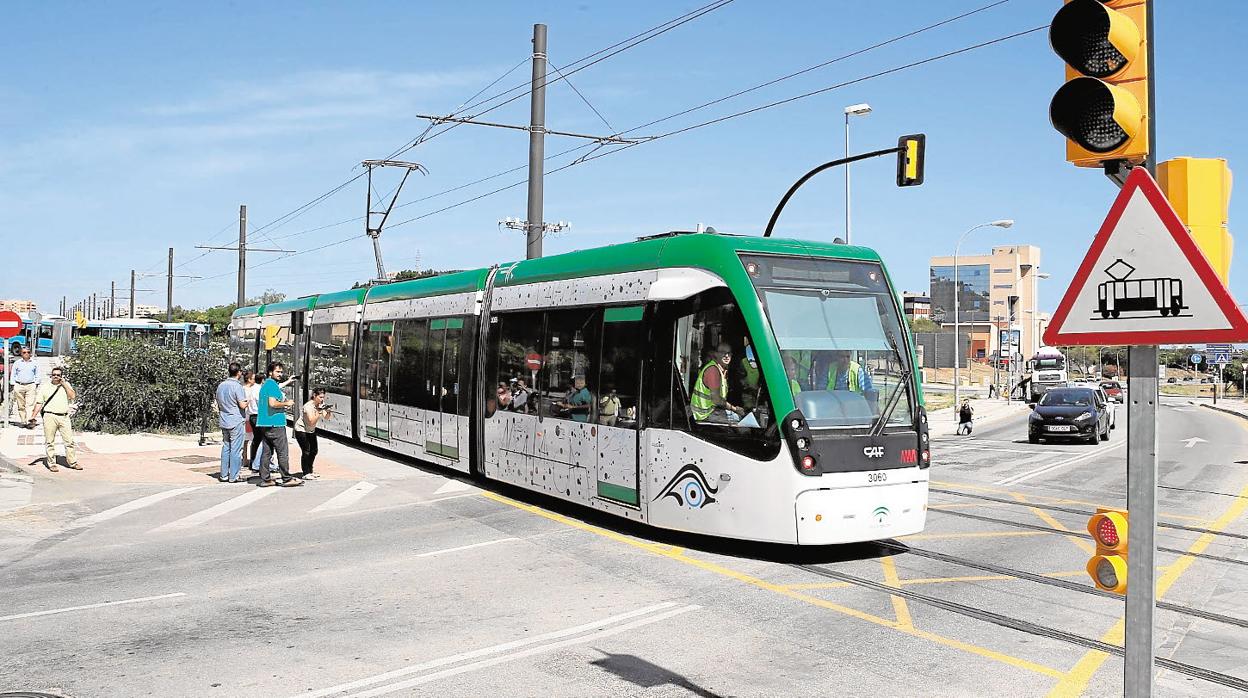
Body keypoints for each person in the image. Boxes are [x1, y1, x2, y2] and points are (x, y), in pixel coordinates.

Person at [254, 362, 301, 487]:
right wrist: (287, 403)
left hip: (264, 423)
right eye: (277, 372)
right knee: (282, 452)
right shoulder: (272, 386)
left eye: (281, 372)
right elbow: (273, 403)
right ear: (270, 372)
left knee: (267, 452)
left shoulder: (267, 384)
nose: (280, 374)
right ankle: (286, 478)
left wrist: (288, 381)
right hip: (276, 423)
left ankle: (265, 478)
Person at [33, 367, 78, 471]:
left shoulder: (66, 385)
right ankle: (52, 463)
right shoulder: (45, 387)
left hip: (64, 416)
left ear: (61, 376)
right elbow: (39, 402)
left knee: (69, 441)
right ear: (51, 376)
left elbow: (72, 396)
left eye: (58, 375)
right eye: (54, 375)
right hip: (50, 416)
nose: (56, 376)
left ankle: (73, 462)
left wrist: (64, 384)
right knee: (50, 441)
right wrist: (33, 416)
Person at [691, 343, 745, 424]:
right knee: (739, 423)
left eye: (729, 353)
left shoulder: (722, 370)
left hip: (711, 410)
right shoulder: (713, 370)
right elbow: (716, 400)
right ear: (716, 354)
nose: (726, 356)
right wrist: (735, 409)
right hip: (703, 415)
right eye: (723, 352)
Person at [214, 363, 249, 483]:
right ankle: (234, 476)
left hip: (224, 419)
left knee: (226, 447)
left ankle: (223, 474)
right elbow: (242, 405)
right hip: (236, 420)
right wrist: (248, 400)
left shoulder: (221, 385)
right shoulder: (237, 386)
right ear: (238, 372)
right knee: (236, 449)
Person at [293, 388, 331, 480]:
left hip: (311, 430)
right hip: (301, 429)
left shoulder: (320, 405)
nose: (322, 399)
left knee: (314, 450)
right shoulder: (308, 406)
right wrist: (319, 411)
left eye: (323, 397)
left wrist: (328, 411)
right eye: (320, 397)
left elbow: (326, 417)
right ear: (314, 395)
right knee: (306, 451)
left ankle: (310, 471)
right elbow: (311, 421)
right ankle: (305, 473)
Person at [9, 346, 42, 428]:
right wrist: (13, 384)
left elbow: (37, 374)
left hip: (30, 385)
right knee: (21, 404)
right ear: (21, 353)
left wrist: (36, 384)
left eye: (28, 352)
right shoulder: (17, 363)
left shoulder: (34, 363)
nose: (26, 354)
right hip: (19, 385)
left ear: (30, 353)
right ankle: (23, 420)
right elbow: (13, 374)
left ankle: (29, 421)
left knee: (30, 404)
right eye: (24, 352)